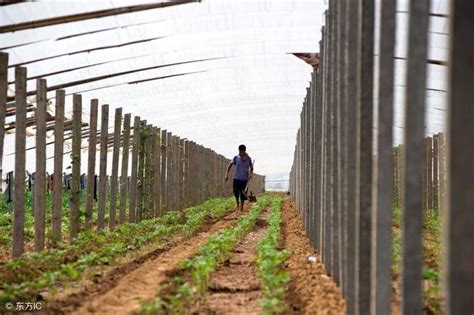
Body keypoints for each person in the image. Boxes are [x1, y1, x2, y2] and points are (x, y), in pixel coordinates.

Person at [225, 144, 254, 212]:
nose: (240, 153)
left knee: (243, 195)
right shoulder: (236, 157)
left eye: (241, 152)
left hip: (244, 180)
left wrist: (251, 174)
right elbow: (230, 165)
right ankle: (237, 203)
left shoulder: (248, 159)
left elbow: (251, 168)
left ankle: (241, 207)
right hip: (236, 178)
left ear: (244, 151)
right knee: (236, 192)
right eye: (239, 152)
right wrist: (227, 174)